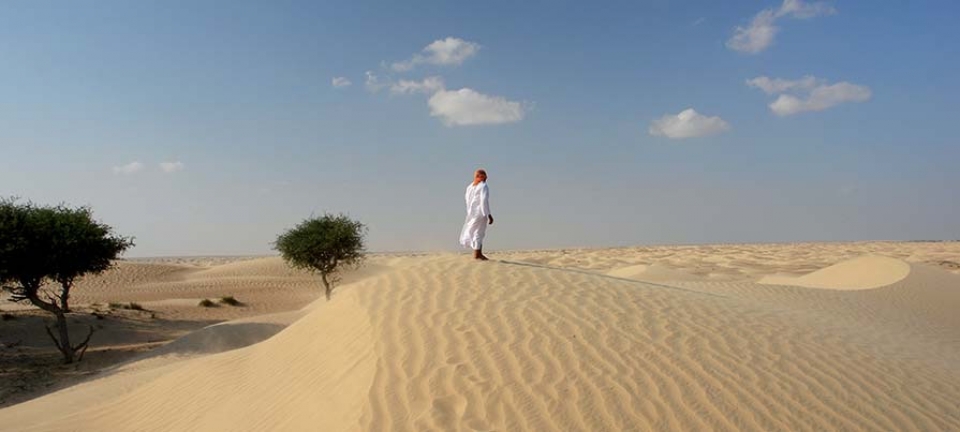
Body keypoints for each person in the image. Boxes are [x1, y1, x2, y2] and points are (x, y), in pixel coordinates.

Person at [459, 169, 494, 260]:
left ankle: (477, 253)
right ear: (478, 177)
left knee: (474, 231)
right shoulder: (483, 186)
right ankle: (478, 254)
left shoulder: (469, 187)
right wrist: (488, 214)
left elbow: (467, 201)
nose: (485, 179)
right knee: (479, 233)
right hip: (480, 212)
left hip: (472, 214)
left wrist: (470, 213)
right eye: (483, 177)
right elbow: (484, 201)